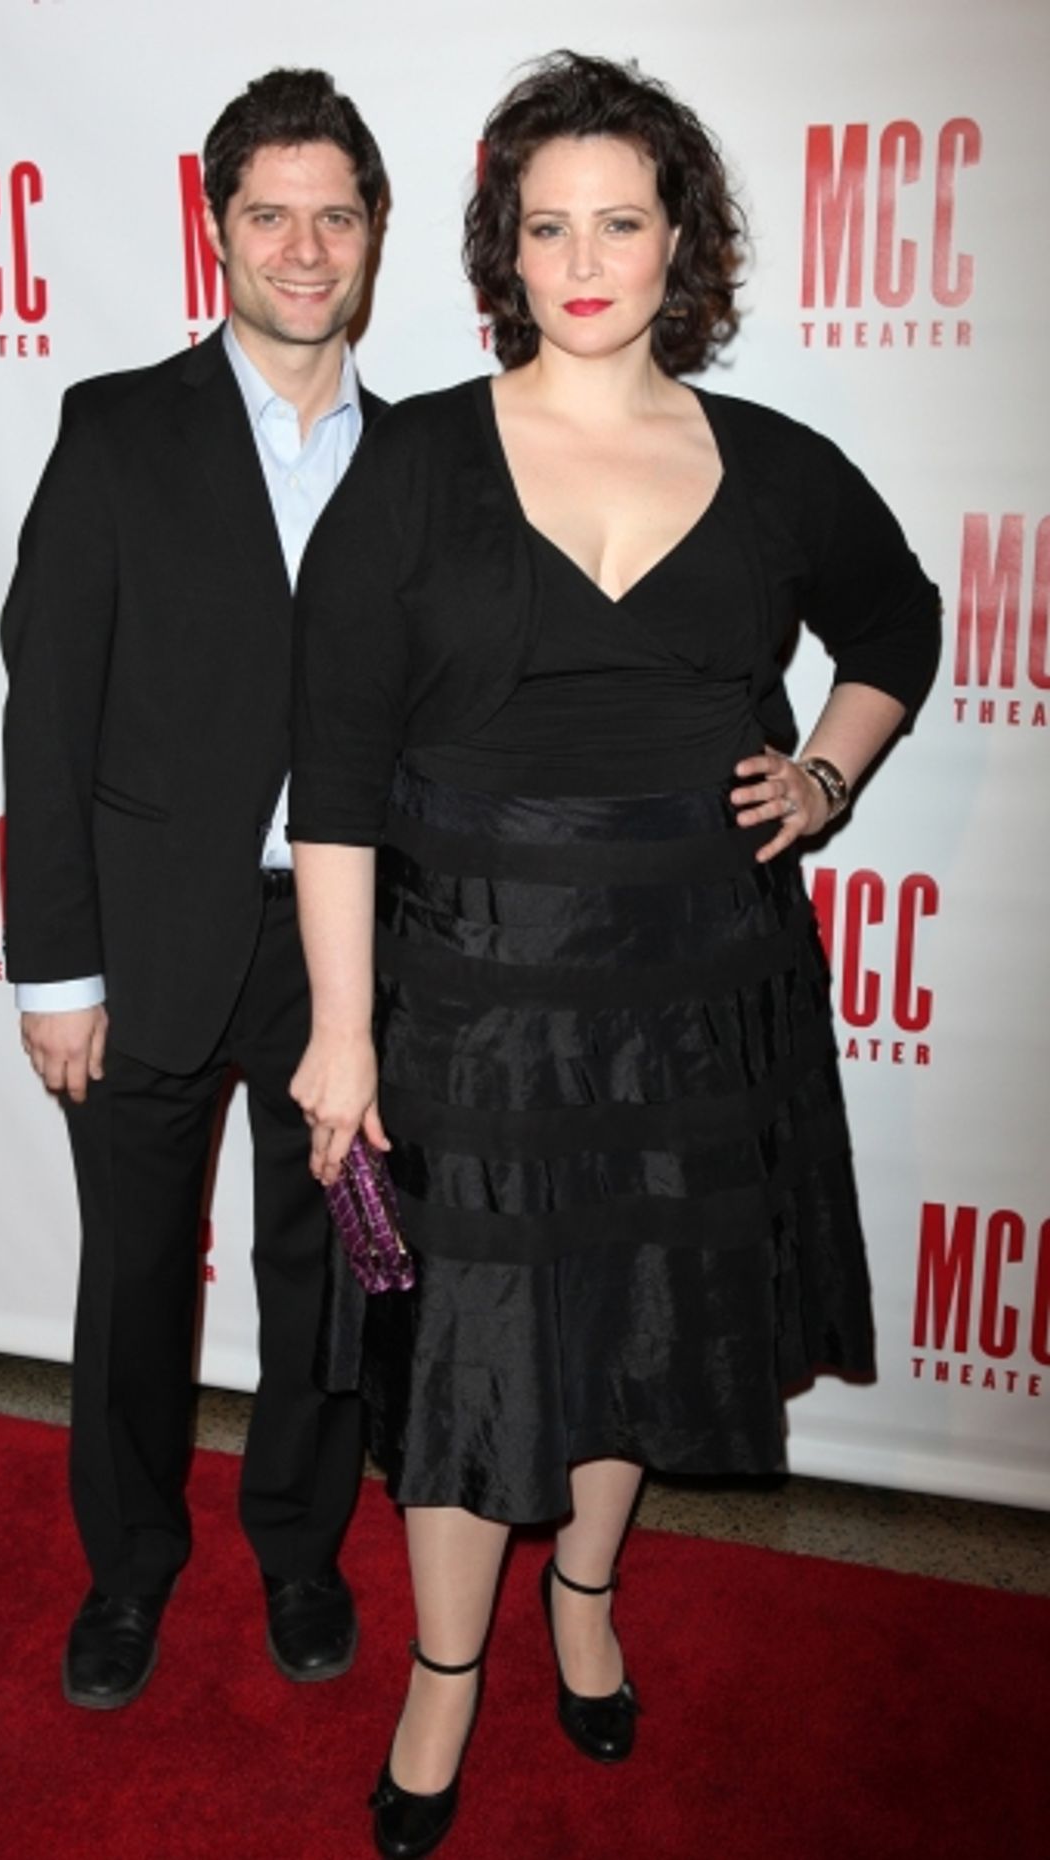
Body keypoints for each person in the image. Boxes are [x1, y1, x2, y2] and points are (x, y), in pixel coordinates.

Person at [287, 50, 940, 1858]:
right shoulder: (412, 460)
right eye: (548, 224)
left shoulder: (778, 465)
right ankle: (444, 1672)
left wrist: (827, 768)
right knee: (464, 1352)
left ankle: (583, 1592)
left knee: (636, 1324)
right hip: (467, 999)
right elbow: (333, 765)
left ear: (680, 243)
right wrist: (343, 1029)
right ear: (507, 244)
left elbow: (898, 620)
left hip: (691, 989)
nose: (587, 260)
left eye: (623, 222)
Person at [0, 68, 390, 1710]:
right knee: (135, 1278)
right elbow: (47, 709)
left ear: (372, 238)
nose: (304, 248)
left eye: (336, 214)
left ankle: (300, 1550)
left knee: (324, 1273)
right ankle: (128, 1572)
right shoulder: (116, 427)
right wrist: (54, 969)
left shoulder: (429, 459)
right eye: (269, 214)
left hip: (341, 946)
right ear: (217, 227)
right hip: (151, 932)